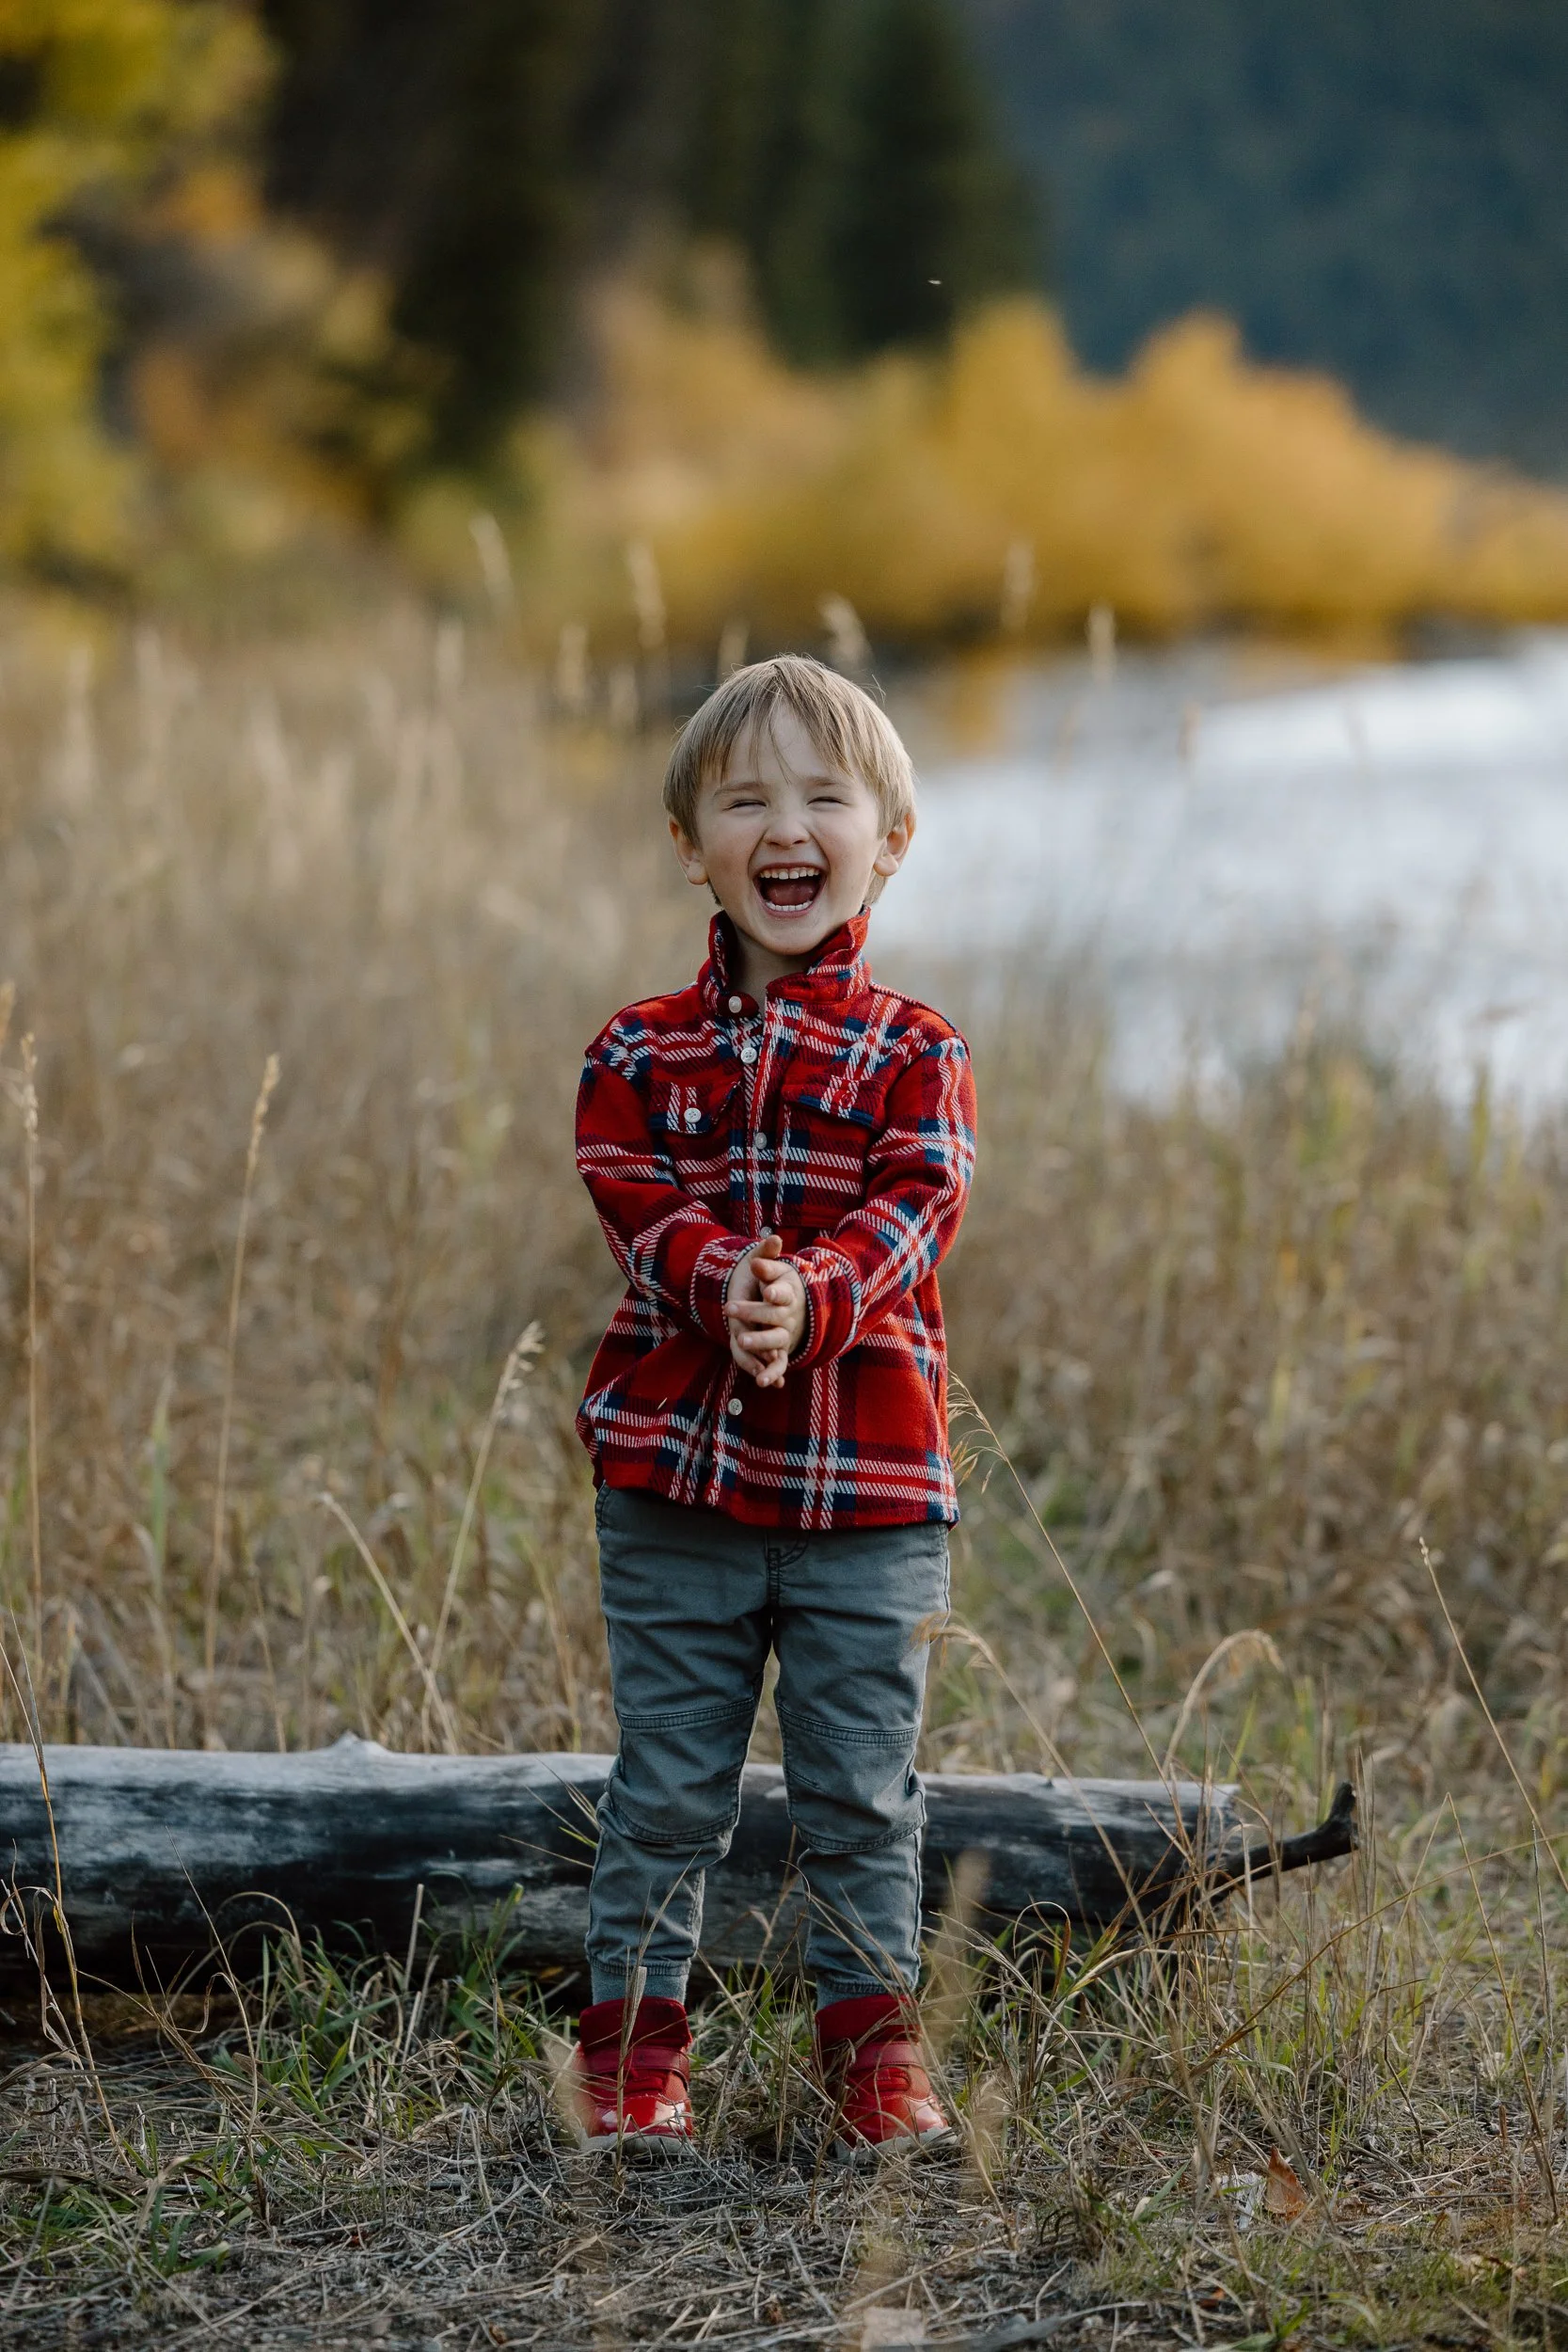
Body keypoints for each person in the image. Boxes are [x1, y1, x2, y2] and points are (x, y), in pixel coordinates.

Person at [570, 654, 976, 2160]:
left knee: (862, 1796)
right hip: (673, 1492)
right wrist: (730, 1278)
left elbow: (913, 1217)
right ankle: (631, 2064)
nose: (784, 826)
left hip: (866, 1502)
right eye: (745, 800)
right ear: (693, 843)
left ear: (889, 837)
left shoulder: (916, 1051)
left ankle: (874, 2062)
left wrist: (810, 1297)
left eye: (825, 797)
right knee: (668, 1787)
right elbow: (632, 1201)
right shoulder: (634, 1049)